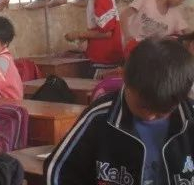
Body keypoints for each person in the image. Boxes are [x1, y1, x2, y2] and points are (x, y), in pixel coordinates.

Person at [44, 38, 194, 185]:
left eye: (162, 112)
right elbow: (57, 170)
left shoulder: (190, 118)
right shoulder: (100, 116)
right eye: (143, 107)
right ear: (125, 79)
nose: (150, 116)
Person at [64, 0, 124, 73]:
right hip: (98, 57)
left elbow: (107, 33)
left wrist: (79, 34)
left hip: (106, 60)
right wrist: (83, 37)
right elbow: (98, 28)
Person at [122, 0, 191, 57]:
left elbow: (187, 32)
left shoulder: (176, 14)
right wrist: (127, 36)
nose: (181, 2)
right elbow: (124, 15)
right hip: (133, 49)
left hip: (152, 55)